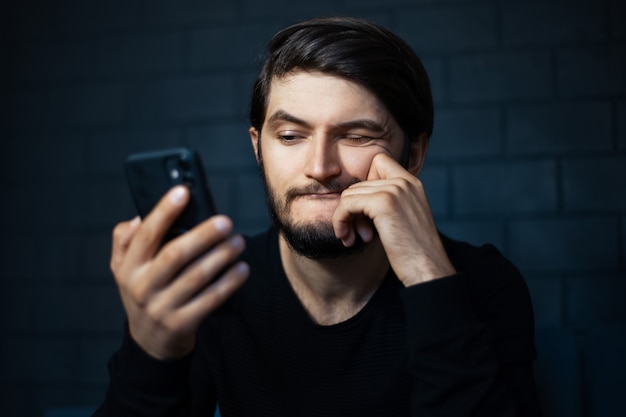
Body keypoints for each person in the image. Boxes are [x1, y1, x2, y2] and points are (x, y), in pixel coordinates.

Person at [94, 17, 541, 417]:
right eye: (291, 136)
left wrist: (429, 275)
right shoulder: (213, 287)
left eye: (357, 136)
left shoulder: (485, 284)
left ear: (415, 153)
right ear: (258, 147)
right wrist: (151, 350)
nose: (321, 166)